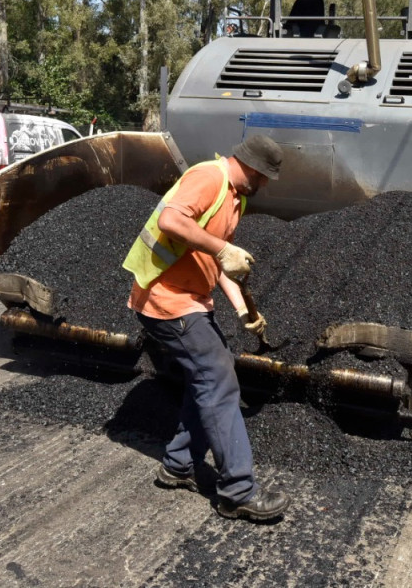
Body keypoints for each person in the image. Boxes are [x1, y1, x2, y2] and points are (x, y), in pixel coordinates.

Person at [122, 134, 290, 522]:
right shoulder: (208, 177)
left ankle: (179, 464)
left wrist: (242, 310)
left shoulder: (236, 197)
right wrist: (221, 249)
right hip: (164, 297)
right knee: (218, 379)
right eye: (263, 178)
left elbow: (222, 263)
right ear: (252, 167)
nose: (264, 186)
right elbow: (171, 220)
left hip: (191, 299)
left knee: (209, 377)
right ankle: (238, 491)